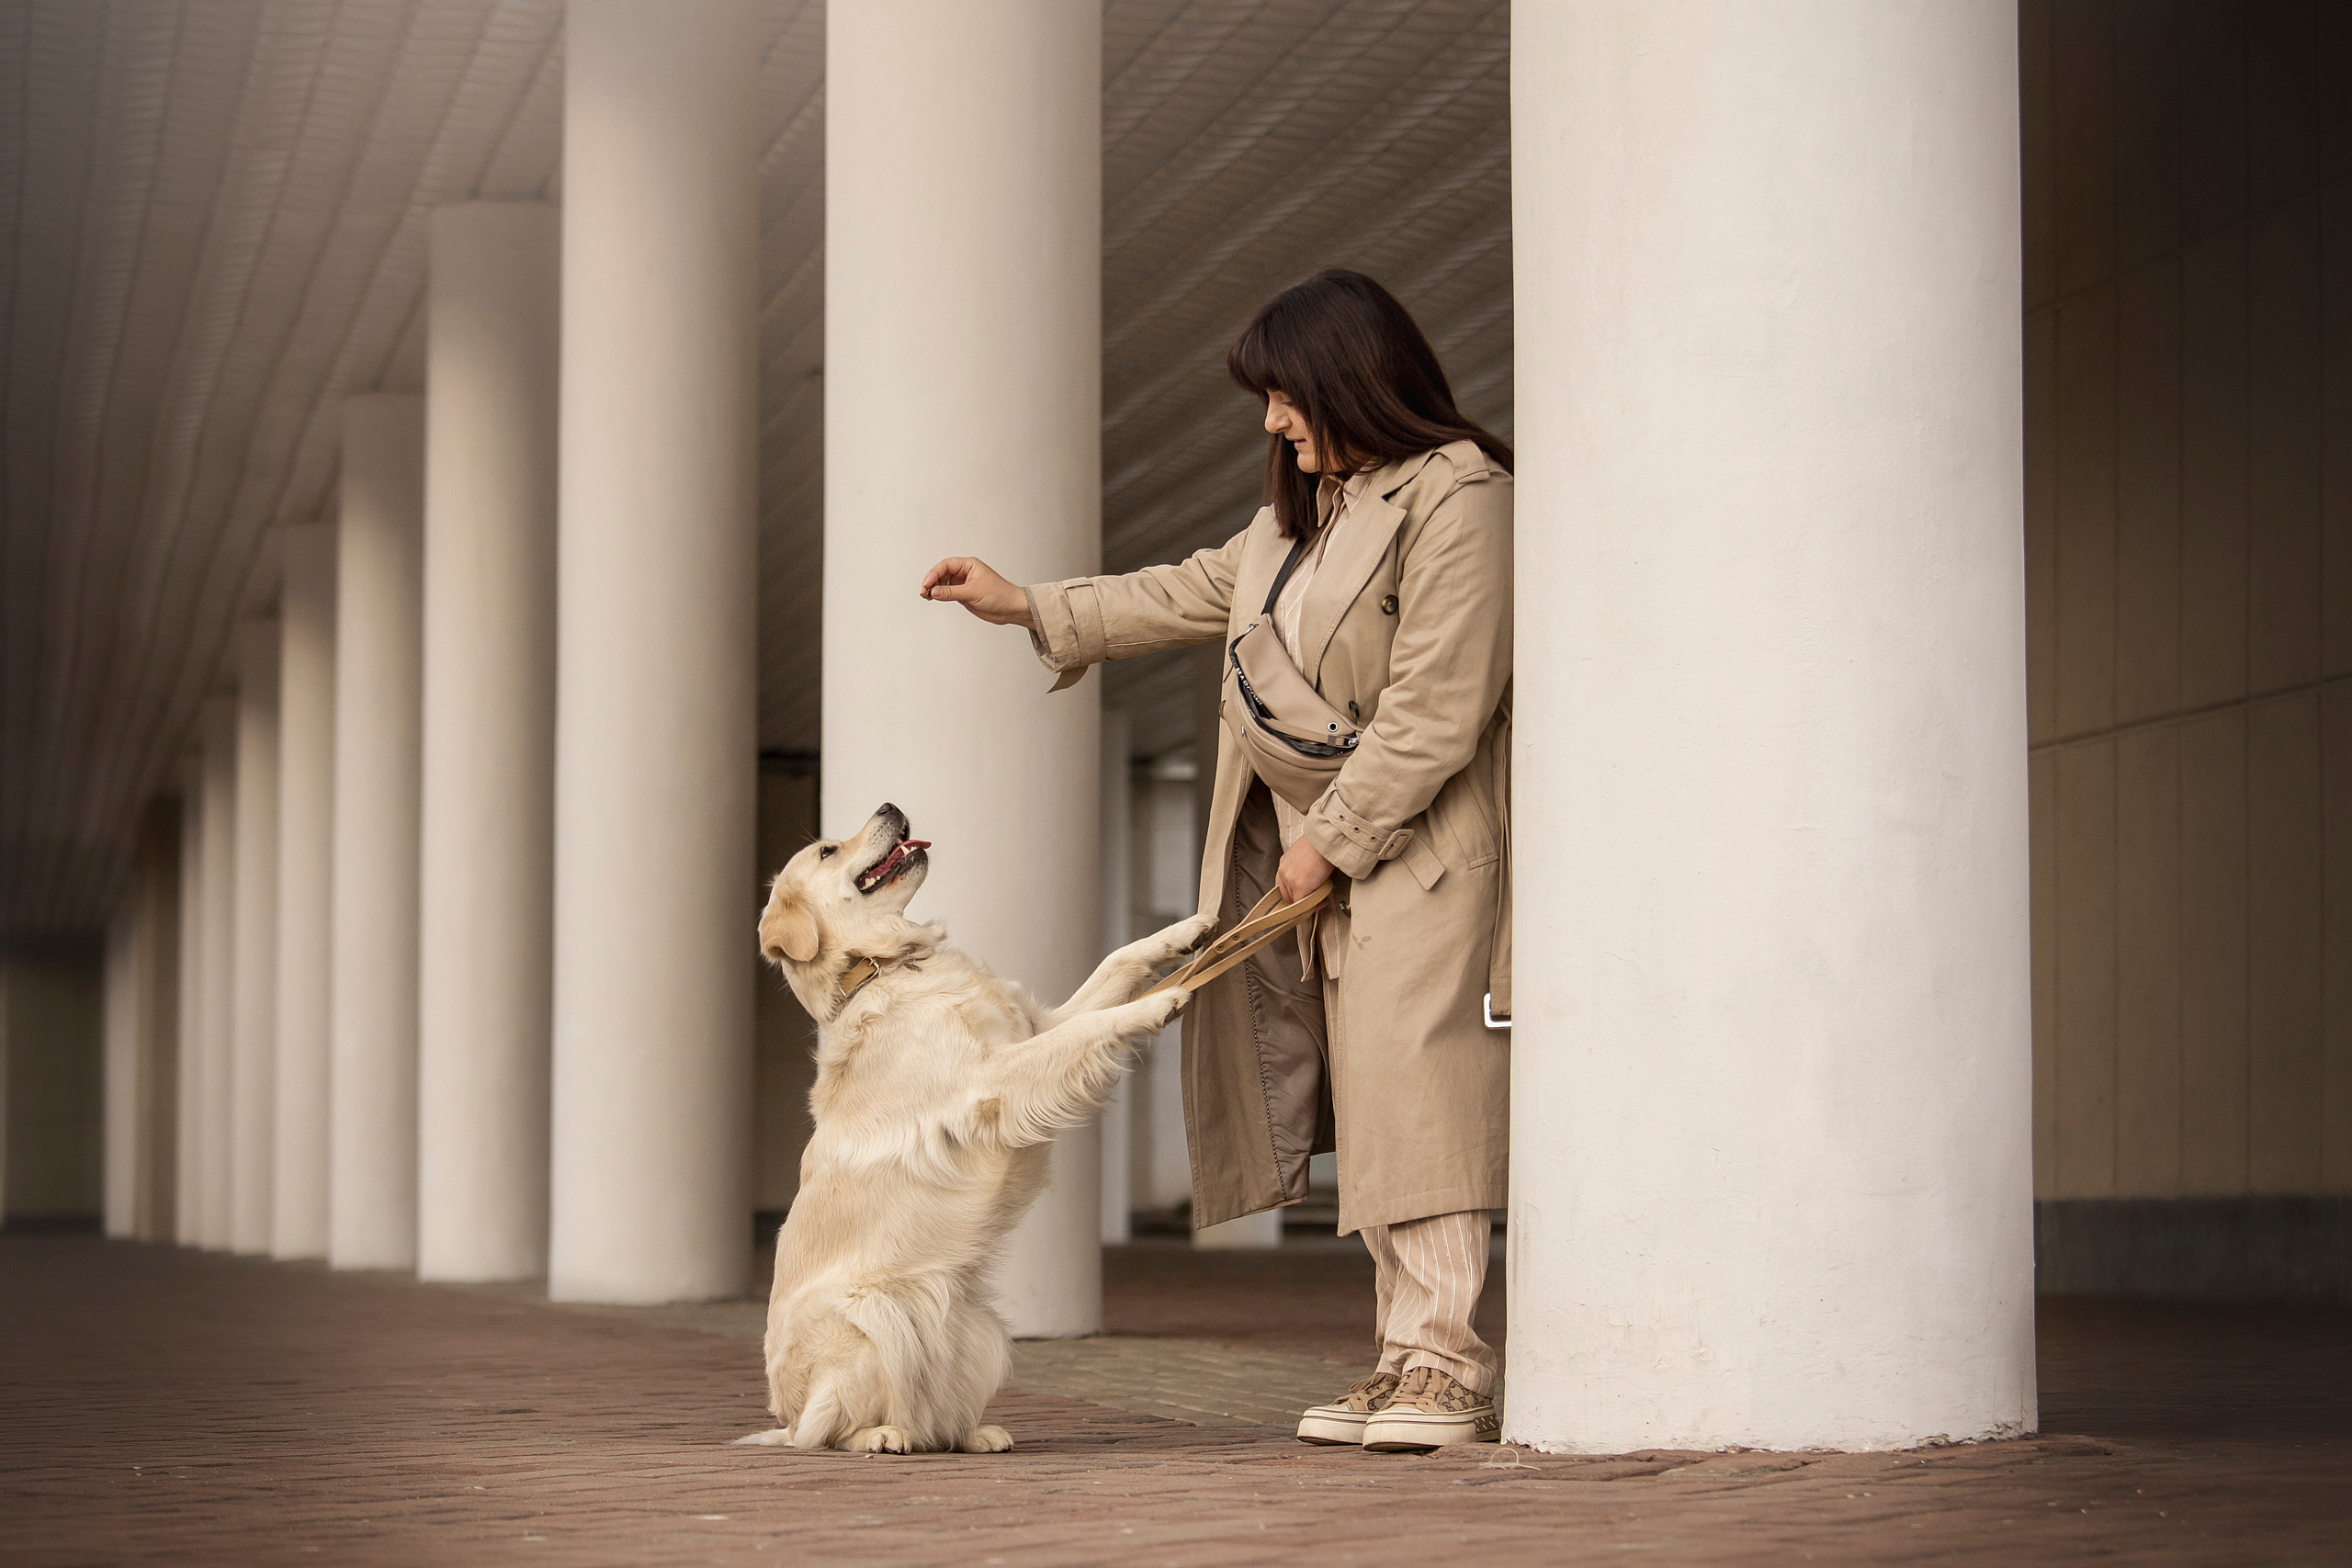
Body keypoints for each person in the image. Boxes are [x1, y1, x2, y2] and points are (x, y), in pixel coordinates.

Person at [921, 268, 1512, 1451]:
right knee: (1378, 1108)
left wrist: (1328, 843)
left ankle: (1451, 1367)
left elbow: (1438, 710)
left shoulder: (1462, 498)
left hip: (1421, 852)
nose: (1273, 423)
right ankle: (1404, 1358)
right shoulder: (1300, 521)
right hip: (1334, 863)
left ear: (1351, 377)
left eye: (1286, 396)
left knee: (1424, 1099)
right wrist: (1029, 604)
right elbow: (1190, 591)